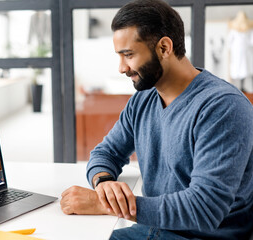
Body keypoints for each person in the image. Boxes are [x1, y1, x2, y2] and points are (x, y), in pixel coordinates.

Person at [60, 1, 253, 239]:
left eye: (128, 55)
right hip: (155, 229)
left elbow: (205, 209)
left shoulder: (223, 107)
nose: (122, 68)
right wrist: (104, 185)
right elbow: (105, 153)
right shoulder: (143, 100)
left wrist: (103, 205)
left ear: (164, 47)